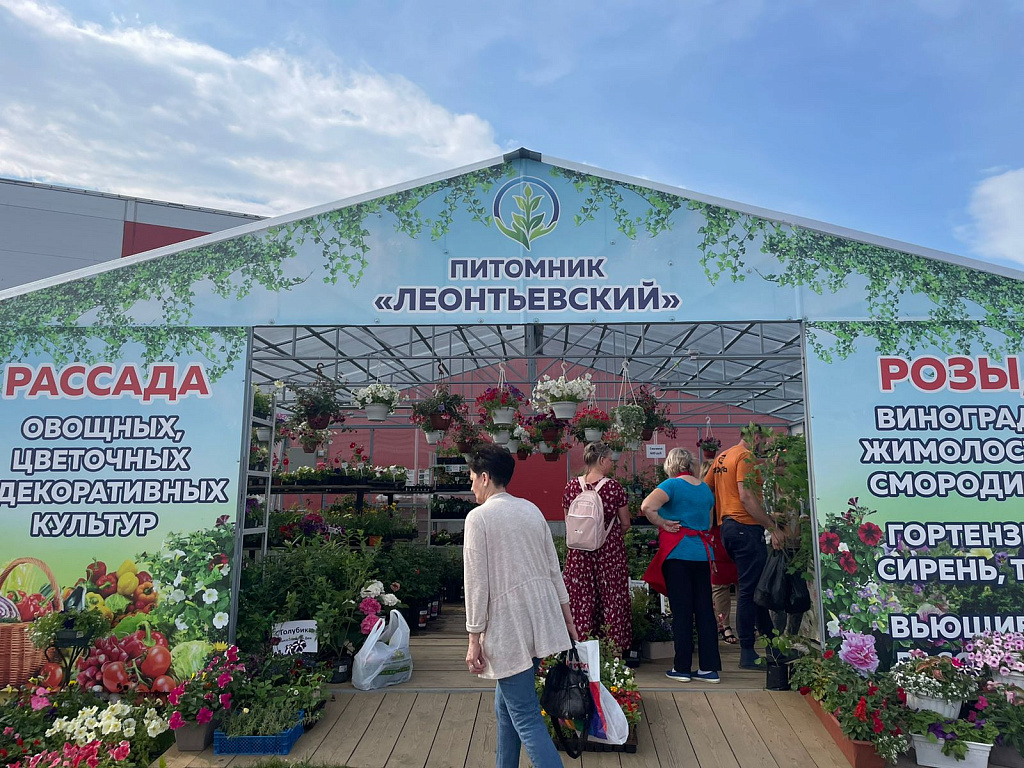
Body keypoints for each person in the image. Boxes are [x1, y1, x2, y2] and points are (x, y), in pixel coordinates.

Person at [463, 444, 578, 768]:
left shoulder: (478, 518)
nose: (471, 486)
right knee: (506, 708)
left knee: (525, 716)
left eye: (472, 478)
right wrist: (567, 619)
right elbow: (554, 569)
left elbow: (476, 583)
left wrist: (474, 639)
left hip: (509, 626)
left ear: (485, 478)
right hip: (542, 621)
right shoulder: (531, 510)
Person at [704, 423, 783, 669]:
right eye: (763, 441)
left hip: (727, 527)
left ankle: (772, 644)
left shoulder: (722, 457)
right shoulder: (745, 457)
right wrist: (771, 527)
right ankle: (747, 651)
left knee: (755, 587)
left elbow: (706, 490)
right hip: (745, 527)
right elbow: (746, 496)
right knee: (749, 592)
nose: (763, 446)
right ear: (756, 437)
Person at [640, 447, 721, 682]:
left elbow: (646, 506)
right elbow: (708, 523)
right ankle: (709, 668)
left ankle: (682, 667)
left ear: (671, 465)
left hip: (678, 553)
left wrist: (663, 523)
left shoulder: (672, 485)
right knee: (705, 610)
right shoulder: (704, 489)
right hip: (702, 553)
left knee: (682, 610)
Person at [561, 441, 632, 652]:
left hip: (579, 554)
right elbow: (625, 523)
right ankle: (613, 650)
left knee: (579, 600)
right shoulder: (613, 488)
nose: (612, 463)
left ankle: (580, 649)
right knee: (612, 599)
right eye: (610, 460)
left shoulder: (571, 487)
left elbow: (568, 521)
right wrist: (608, 536)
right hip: (608, 553)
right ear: (601, 460)